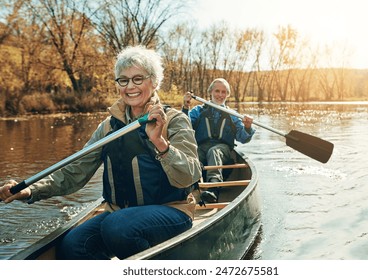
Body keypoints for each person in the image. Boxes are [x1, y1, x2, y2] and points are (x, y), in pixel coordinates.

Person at [0, 45, 202, 260]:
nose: (130, 86)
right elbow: (74, 172)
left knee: (119, 227)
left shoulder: (175, 120)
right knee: (73, 245)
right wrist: (30, 190)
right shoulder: (108, 128)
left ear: (153, 82)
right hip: (119, 214)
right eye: (123, 80)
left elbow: (191, 174)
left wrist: (160, 142)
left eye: (138, 79)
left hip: (171, 211)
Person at [182, 78, 255, 203]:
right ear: (210, 92)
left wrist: (248, 127)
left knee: (214, 151)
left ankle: (213, 188)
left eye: (224, 92)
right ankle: (190, 187)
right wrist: (185, 107)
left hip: (223, 150)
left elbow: (243, 138)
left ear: (227, 94)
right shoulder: (197, 111)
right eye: (217, 91)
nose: (220, 95)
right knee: (193, 154)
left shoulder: (232, 114)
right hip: (202, 148)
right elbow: (183, 126)